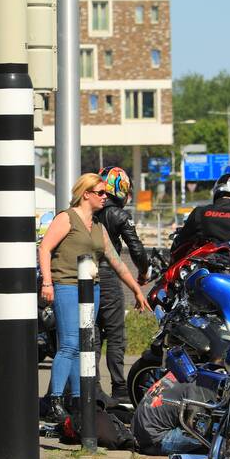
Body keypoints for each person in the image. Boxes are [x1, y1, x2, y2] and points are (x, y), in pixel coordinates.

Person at [38, 173, 151, 419]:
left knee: (83, 345)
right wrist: (47, 282)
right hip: (67, 285)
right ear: (86, 194)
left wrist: (136, 289)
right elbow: (44, 248)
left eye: (106, 193)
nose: (105, 197)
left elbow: (116, 262)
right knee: (68, 343)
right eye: (100, 193)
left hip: (93, 288)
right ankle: (54, 400)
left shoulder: (98, 227)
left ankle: (80, 399)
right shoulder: (66, 218)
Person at [94, 166, 150, 405]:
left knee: (92, 334)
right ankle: (119, 387)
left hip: (86, 277)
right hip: (108, 277)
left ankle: (92, 385)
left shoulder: (88, 211)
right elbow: (136, 249)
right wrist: (143, 272)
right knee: (116, 334)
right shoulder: (118, 215)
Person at [131, 373, 214, 456]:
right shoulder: (197, 386)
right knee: (205, 437)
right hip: (155, 441)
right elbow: (193, 427)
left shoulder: (184, 373)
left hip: (138, 433)